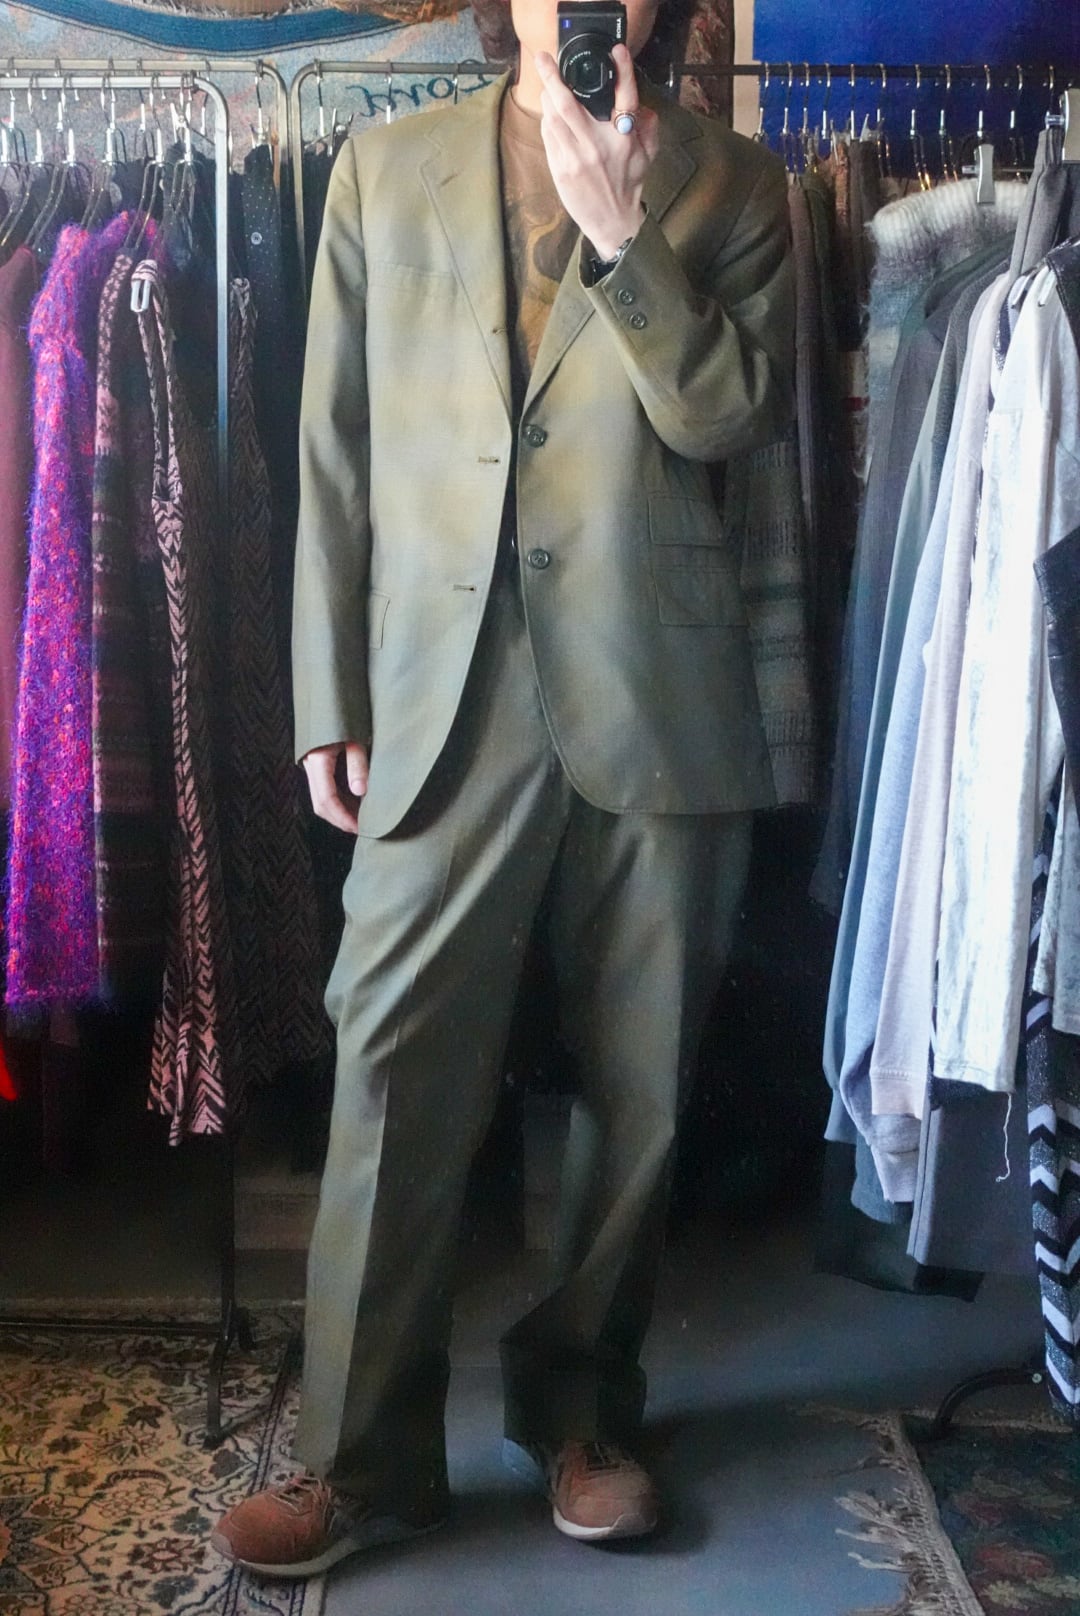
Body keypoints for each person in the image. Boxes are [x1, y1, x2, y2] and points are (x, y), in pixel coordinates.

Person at [212, 0, 792, 1580]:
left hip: (658, 693)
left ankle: (584, 1411)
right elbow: (332, 447)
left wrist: (626, 242)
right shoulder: (383, 170)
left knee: (639, 1083)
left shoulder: (742, 187)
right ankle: (359, 1454)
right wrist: (329, 690)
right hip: (440, 693)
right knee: (391, 1058)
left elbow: (733, 418)